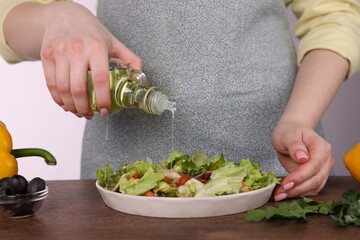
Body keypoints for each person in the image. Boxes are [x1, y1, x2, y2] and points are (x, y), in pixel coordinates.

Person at [1, 0, 360, 201]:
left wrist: (299, 120)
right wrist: (56, 17)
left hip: (274, 178)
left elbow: (336, 15)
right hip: (124, 191)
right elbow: (9, 14)